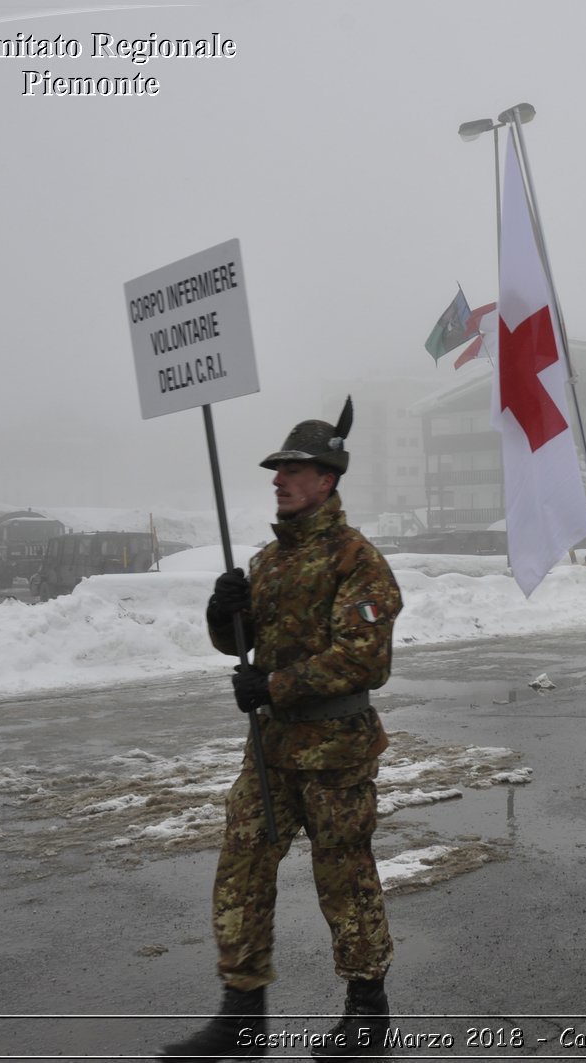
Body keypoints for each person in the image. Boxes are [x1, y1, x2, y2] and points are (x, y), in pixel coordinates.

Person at [162, 418, 403, 1061]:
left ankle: (367, 1010)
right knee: (240, 867)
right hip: (270, 750)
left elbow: (364, 660)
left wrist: (275, 684)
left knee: (343, 875)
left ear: (326, 479)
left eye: (293, 470)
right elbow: (240, 645)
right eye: (277, 470)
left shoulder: (358, 559)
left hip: (334, 752)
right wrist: (223, 615)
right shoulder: (267, 560)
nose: (278, 480)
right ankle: (242, 1019)